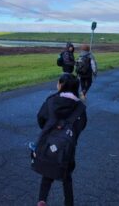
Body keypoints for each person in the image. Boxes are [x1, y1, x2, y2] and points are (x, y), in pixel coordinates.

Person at [36, 74, 87, 206]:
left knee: (47, 172)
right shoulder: (80, 107)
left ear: (61, 85)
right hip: (67, 147)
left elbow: (41, 118)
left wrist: (50, 130)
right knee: (67, 176)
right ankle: (69, 203)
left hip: (49, 143)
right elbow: (82, 125)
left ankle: (42, 200)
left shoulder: (51, 100)